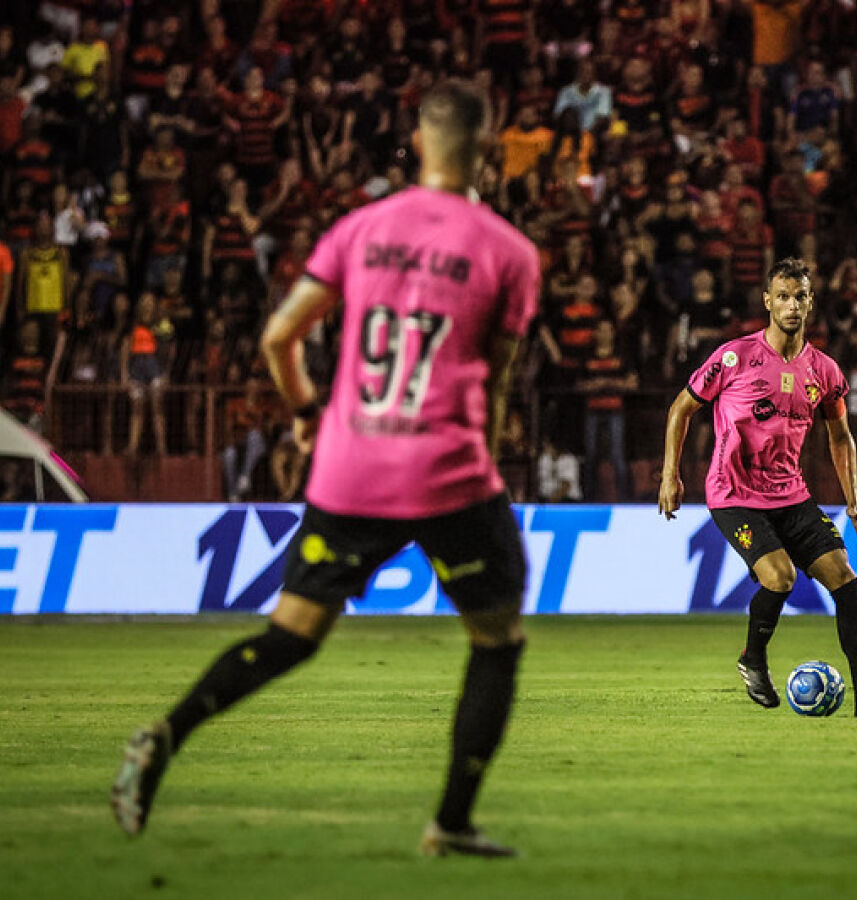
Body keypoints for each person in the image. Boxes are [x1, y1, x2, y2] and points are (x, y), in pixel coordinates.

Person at [111, 80, 542, 859]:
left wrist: (311, 414)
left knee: (292, 634)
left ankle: (165, 735)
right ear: (491, 145)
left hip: (351, 470)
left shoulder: (359, 229)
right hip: (447, 469)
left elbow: (279, 338)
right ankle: (449, 822)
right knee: (497, 639)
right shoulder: (510, 252)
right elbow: (498, 373)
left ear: (417, 140)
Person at [657, 257, 857, 718]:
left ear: (811, 303)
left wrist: (853, 505)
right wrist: (670, 475)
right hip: (734, 495)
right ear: (768, 301)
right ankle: (753, 658)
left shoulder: (824, 371)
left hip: (792, 495)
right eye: (783, 296)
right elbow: (680, 409)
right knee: (780, 576)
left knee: (845, 579)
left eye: (800, 297)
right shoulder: (734, 357)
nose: (792, 305)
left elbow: (840, 436)